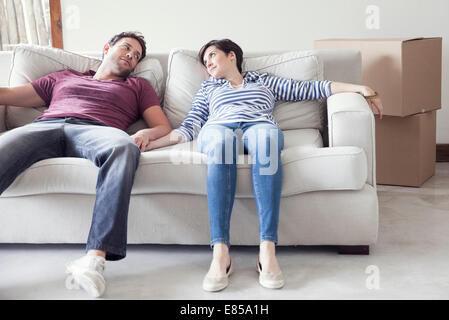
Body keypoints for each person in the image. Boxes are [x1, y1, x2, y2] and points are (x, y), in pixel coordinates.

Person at [145, 39, 383, 292]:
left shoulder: (263, 81)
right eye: (205, 62)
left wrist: (362, 87)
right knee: (223, 144)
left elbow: (310, 88)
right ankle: (220, 252)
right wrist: (153, 142)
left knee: (267, 140)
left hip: (259, 125)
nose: (209, 63)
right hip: (218, 129)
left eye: (213, 56)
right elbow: (190, 126)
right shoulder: (207, 88)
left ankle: (267, 250)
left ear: (232, 56)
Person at [0, 31, 171, 297]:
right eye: (126, 48)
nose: (130, 56)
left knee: (124, 148)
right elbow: (9, 94)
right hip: (47, 125)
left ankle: (94, 260)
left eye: (136, 56)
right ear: (106, 48)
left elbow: (162, 126)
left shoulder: (137, 87)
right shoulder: (64, 77)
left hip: (97, 131)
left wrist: (143, 134)